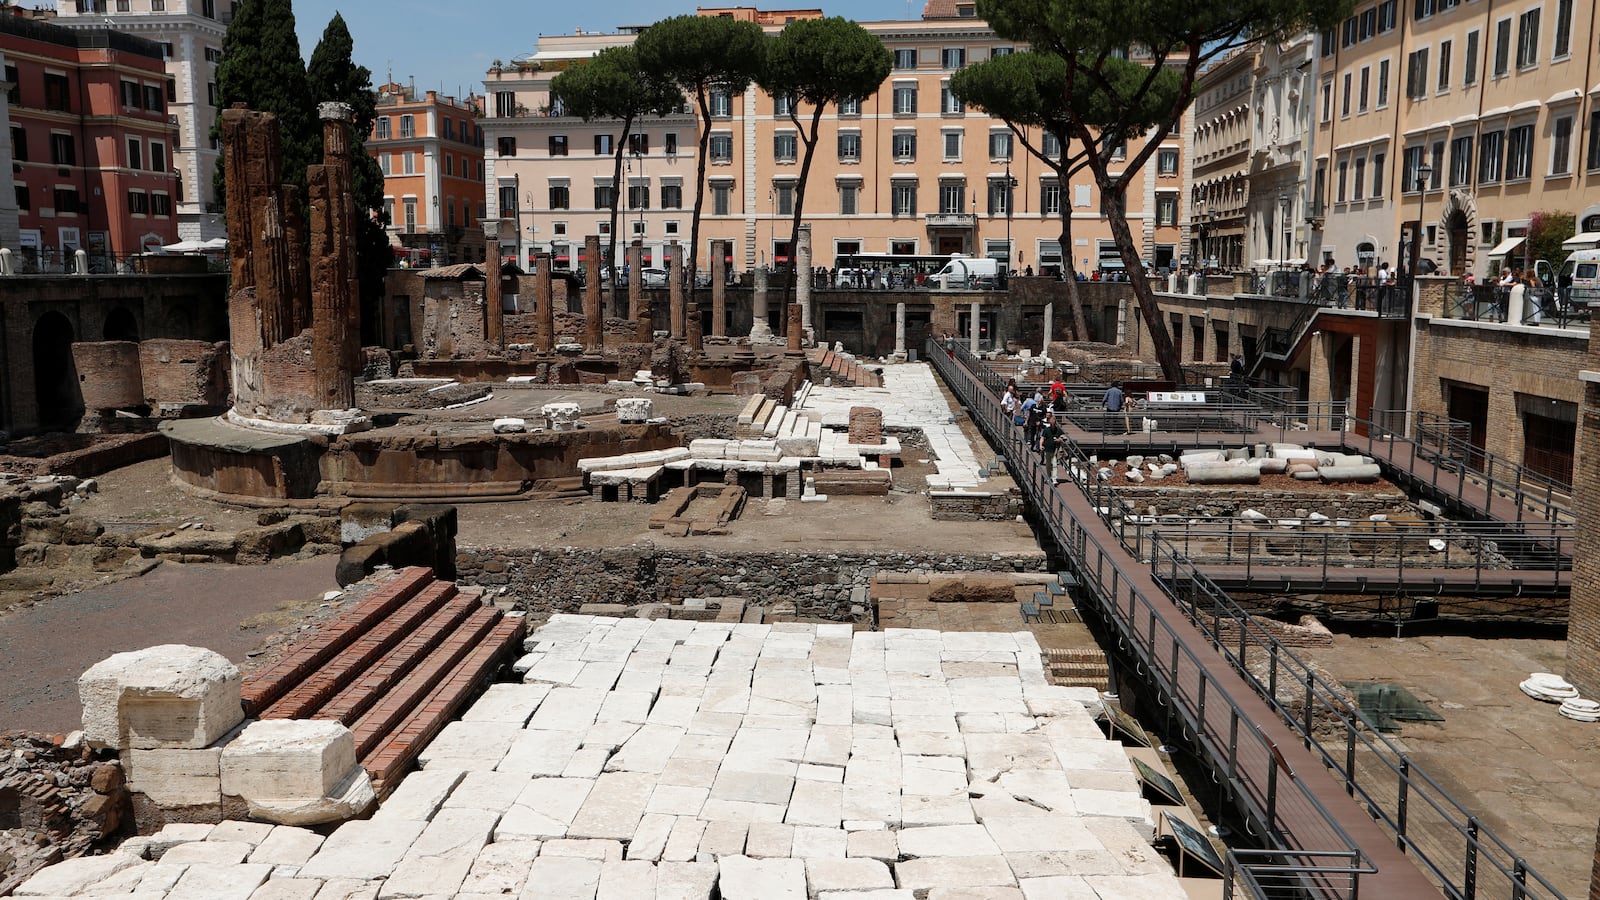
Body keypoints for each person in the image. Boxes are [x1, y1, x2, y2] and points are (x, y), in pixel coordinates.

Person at [1040, 410, 1062, 483]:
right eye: (1051, 423)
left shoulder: (1058, 430)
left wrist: (1059, 440)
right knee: (1048, 465)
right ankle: (1048, 477)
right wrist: (1040, 445)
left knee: (1055, 464)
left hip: (1055, 449)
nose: (1053, 425)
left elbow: (1063, 437)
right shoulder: (1046, 430)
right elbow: (1042, 438)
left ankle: (1054, 478)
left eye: (1054, 423)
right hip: (1047, 449)